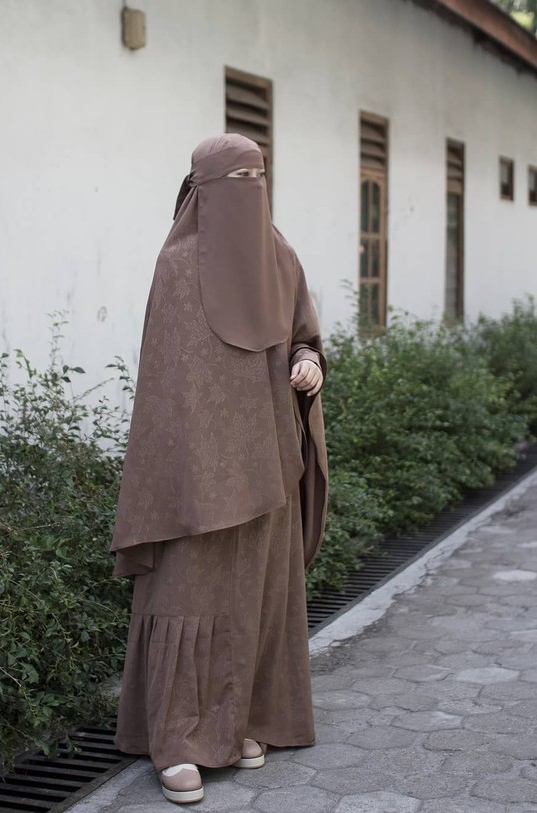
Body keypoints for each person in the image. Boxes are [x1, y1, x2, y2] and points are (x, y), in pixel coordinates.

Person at [110, 133, 328, 804]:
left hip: (269, 463)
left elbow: (304, 334)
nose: (247, 193)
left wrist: (308, 363)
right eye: (234, 181)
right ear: (201, 189)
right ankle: (176, 740)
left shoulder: (280, 257)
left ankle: (240, 725)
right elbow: (166, 388)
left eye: (256, 178)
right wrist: (196, 465)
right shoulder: (176, 267)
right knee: (188, 595)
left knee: (254, 595)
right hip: (195, 476)